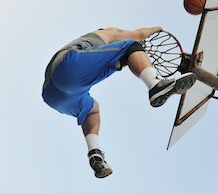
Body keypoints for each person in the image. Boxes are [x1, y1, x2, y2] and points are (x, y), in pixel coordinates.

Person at [42, 27, 196, 178]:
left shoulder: (95, 55)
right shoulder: (102, 34)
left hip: (53, 96)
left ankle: (94, 150)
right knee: (131, 46)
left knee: (92, 110)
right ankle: (154, 84)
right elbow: (139, 35)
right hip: (67, 67)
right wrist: (156, 29)